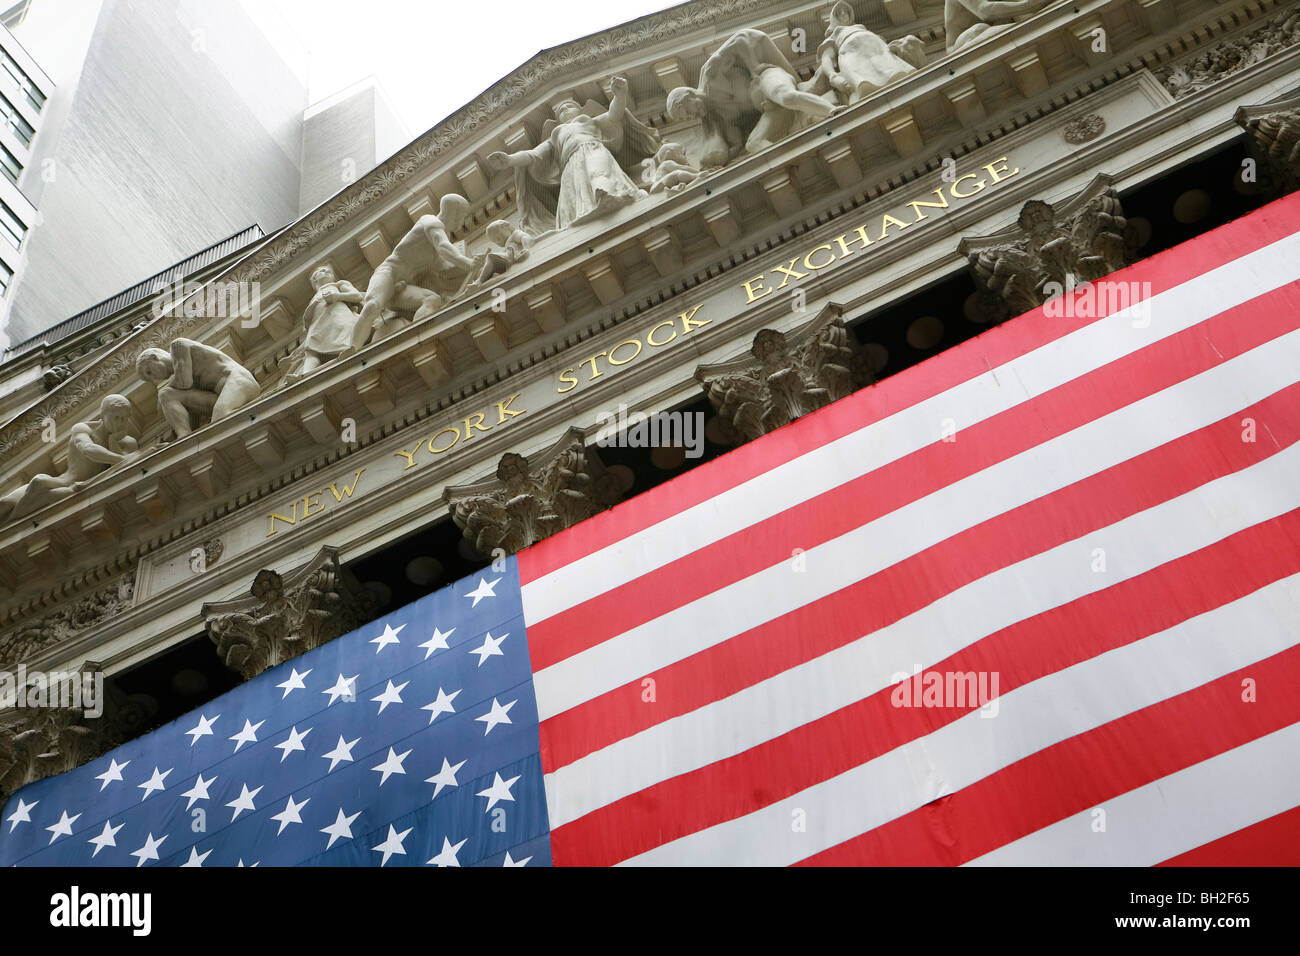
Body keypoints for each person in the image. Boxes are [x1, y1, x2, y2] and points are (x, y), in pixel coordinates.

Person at [487, 75, 658, 234]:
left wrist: (620, 95)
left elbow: (614, 116)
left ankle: (607, 196)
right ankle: (583, 212)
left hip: (592, 148)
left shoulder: (589, 121)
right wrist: (509, 160)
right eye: (560, 110)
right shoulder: (556, 134)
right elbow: (533, 155)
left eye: (569, 106)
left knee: (598, 171)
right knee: (573, 191)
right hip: (571, 163)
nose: (564, 110)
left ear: (580, 111)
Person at [349, 194, 478, 353]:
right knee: (372, 306)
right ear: (453, 212)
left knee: (432, 299)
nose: (461, 222)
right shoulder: (430, 221)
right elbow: (444, 246)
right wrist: (468, 263)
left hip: (401, 289)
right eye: (462, 216)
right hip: (388, 274)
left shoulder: (433, 254)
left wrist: (475, 268)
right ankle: (351, 349)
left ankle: (417, 338)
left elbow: (446, 269)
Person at [0, 394, 138, 524]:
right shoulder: (84, 428)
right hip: (61, 481)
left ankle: (10, 523)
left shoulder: (128, 442)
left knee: (41, 491)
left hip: (74, 489)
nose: (119, 423)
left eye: (123, 419)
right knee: (8, 501)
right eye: (116, 417)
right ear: (103, 414)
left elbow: (125, 469)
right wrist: (122, 459)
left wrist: (114, 443)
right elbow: (88, 449)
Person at [136, 338, 260, 439]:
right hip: (219, 396)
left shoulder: (178, 346)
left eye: (149, 372)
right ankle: (184, 436)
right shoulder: (177, 377)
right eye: (149, 378)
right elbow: (192, 413)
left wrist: (165, 393)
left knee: (220, 417)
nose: (153, 379)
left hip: (238, 381)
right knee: (166, 395)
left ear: (154, 358)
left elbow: (185, 382)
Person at [291, 263, 363, 381]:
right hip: (317, 323)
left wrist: (337, 296)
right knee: (311, 350)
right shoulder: (315, 295)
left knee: (342, 335)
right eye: (322, 271)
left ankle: (348, 352)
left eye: (328, 271)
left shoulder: (339, 284)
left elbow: (357, 296)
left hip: (338, 315)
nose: (326, 272)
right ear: (314, 280)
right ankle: (304, 376)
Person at [945, 0, 1049, 53]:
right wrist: (1029, 5)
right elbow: (984, 11)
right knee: (980, 28)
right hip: (960, 46)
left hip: (997, 26)